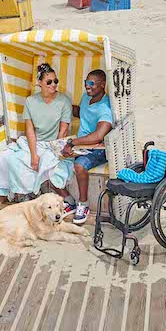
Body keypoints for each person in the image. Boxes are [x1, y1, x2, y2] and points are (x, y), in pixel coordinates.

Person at [0, 63, 72, 205]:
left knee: (47, 163)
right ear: (39, 83)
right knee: (6, 158)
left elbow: (63, 131)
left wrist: (56, 152)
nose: (53, 85)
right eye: (49, 82)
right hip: (35, 143)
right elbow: (30, 130)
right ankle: (7, 200)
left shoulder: (64, 101)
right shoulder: (30, 101)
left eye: (55, 81)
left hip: (53, 145)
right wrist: (34, 154)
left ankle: (34, 195)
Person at [58, 69, 113, 224]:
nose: (87, 87)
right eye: (85, 83)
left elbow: (98, 136)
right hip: (80, 144)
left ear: (102, 85)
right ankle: (68, 200)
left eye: (91, 84)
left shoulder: (105, 108)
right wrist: (60, 104)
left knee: (80, 166)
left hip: (97, 148)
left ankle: (84, 204)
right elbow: (81, 112)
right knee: (51, 158)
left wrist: (72, 143)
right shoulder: (87, 97)